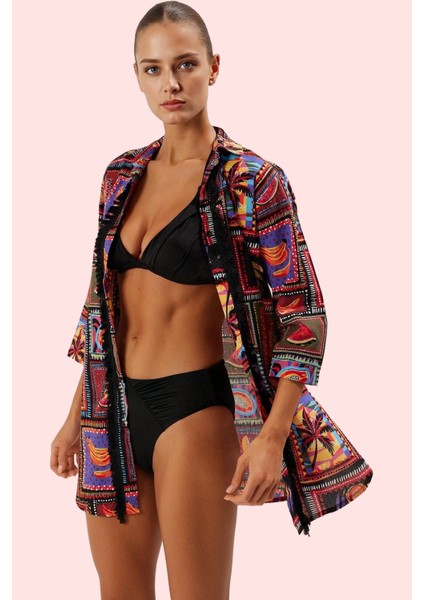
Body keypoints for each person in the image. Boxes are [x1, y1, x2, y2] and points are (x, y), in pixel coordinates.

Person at [50, 2, 373, 599]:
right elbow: (102, 308)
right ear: (137, 76)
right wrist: (75, 417)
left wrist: (271, 435)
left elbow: (304, 316)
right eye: (153, 69)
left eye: (185, 64)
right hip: (111, 409)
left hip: (194, 410)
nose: (170, 84)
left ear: (213, 68)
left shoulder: (252, 181)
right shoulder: (120, 175)